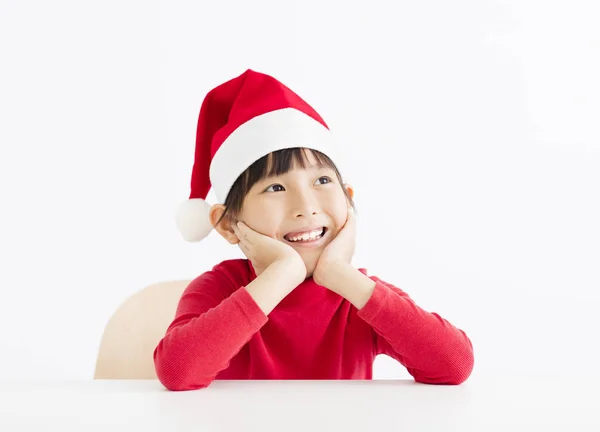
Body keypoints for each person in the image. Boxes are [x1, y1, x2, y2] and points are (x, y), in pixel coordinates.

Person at [153, 69, 474, 391]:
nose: (306, 206)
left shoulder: (356, 292)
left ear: (347, 201)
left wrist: (340, 273)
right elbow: (179, 373)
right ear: (227, 225)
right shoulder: (218, 288)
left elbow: (452, 365)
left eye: (321, 181)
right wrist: (282, 273)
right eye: (275, 187)